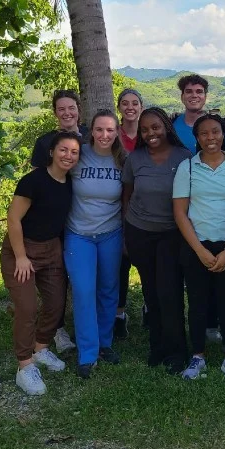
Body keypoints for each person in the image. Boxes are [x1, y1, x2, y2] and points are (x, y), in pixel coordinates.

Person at [1, 132, 81, 395]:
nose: (68, 155)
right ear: (51, 152)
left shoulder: (70, 183)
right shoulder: (32, 181)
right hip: (21, 249)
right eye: (63, 150)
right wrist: (21, 256)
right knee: (27, 308)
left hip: (52, 249)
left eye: (74, 152)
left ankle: (41, 348)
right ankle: (25, 366)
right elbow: (13, 220)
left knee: (56, 304)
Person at [173, 113, 225, 380]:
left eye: (215, 132)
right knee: (197, 303)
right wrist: (200, 250)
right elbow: (180, 213)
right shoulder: (188, 168)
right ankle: (198, 356)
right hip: (196, 244)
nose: (210, 138)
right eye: (204, 133)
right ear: (197, 138)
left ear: (223, 135)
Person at [122, 107, 191, 373]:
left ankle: (176, 351)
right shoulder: (135, 158)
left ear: (166, 127)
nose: (151, 133)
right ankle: (157, 347)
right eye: (145, 129)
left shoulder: (184, 157)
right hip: (140, 232)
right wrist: (126, 231)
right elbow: (127, 196)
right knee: (151, 292)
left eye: (155, 127)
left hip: (172, 234)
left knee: (170, 292)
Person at [64, 110, 125, 379]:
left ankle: (105, 343)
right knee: (83, 290)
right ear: (92, 132)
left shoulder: (123, 159)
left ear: (117, 132)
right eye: (99, 130)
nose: (104, 135)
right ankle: (87, 353)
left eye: (110, 130)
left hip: (111, 233)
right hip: (79, 234)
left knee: (108, 290)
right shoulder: (79, 155)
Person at [31, 88, 88, 354]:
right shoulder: (45, 143)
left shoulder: (91, 136)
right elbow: (36, 183)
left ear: (79, 109)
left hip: (88, 217)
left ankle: (87, 325)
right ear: (55, 113)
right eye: (61, 109)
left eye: (71, 107)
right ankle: (58, 329)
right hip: (57, 218)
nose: (67, 113)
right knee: (57, 276)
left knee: (83, 276)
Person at [115, 87, 144, 339]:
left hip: (146, 205)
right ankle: (119, 314)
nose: (130, 107)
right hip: (118, 201)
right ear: (119, 108)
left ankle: (150, 307)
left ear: (141, 107)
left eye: (135, 103)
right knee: (121, 263)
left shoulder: (147, 135)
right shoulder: (115, 136)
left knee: (149, 263)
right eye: (125, 103)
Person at [172, 73, 225, 155]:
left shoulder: (218, 127)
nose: (194, 95)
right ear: (182, 97)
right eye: (189, 92)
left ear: (205, 97)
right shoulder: (171, 125)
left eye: (199, 92)